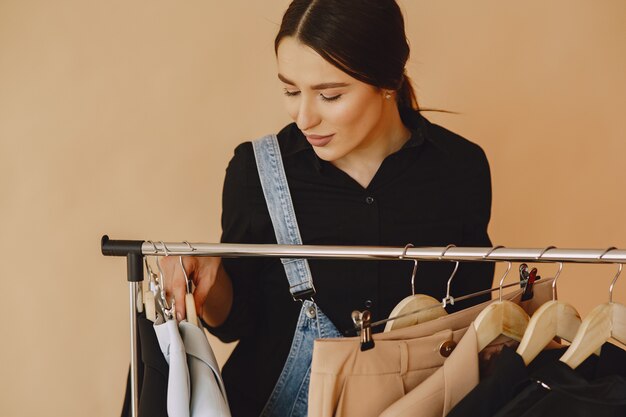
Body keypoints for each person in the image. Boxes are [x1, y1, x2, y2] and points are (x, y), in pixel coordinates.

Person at [162, 0, 494, 416]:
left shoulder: (461, 169)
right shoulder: (256, 172)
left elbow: (470, 320)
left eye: (330, 95)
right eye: (290, 90)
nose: (304, 116)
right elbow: (235, 323)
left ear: (386, 80)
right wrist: (211, 276)